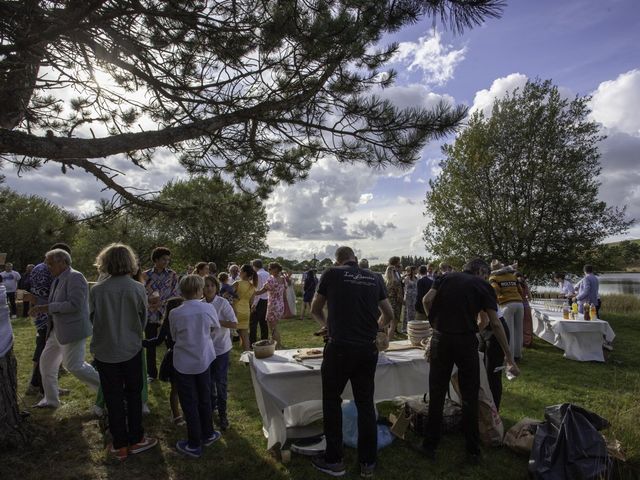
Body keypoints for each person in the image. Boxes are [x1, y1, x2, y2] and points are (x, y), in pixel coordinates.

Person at [420, 258, 519, 464]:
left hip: (441, 338)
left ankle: (430, 445)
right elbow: (493, 322)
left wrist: (434, 324)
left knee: (437, 391)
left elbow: (426, 300)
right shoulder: (483, 285)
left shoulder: (443, 278)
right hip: (465, 342)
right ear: (481, 271)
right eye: (485, 274)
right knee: (469, 394)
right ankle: (472, 450)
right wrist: (509, 357)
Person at [310, 246, 394, 478]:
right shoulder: (375, 277)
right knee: (365, 403)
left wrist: (326, 325)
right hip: (367, 348)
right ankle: (368, 463)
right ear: (355, 260)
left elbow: (315, 308)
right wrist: (374, 327)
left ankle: (335, 459)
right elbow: (389, 314)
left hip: (340, 347)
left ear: (338, 261)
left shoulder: (331, 273)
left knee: (331, 401)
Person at [89, 243, 157, 461]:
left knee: (113, 396)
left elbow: (92, 319)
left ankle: (119, 444)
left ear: (105, 262)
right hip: (131, 347)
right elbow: (143, 319)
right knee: (134, 393)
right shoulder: (137, 288)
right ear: (130, 262)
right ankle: (136, 439)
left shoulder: (97, 290)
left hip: (105, 349)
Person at [29, 249, 100, 408]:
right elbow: (54, 302)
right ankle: (51, 400)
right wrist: (39, 305)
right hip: (57, 331)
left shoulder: (75, 277)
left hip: (73, 330)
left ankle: (107, 389)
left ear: (62, 262)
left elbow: (74, 305)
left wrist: (46, 308)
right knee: (46, 363)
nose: (48, 266)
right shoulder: (58, 278)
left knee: (75, 366)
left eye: (50, 263)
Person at [170, 274, 221, 458]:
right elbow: (215, 327)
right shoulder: (207, 308)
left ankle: (194, 442)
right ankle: (207, 433)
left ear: (182, 292)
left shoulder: (175, 312)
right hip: (204, 358)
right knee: (205, 396)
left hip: (184, 361)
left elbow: (174, 336)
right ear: (199, 290)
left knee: (189, 402)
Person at [23, 243, 70, 396]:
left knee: (44, 350)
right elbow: (51, 294)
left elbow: (34, 291)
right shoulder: (48, 271)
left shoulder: (37, 268)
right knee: (46, 352)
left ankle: (37, 385)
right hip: (47, 314)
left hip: (41, 313)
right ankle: (41, 388)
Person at [143, 297, 185, 426]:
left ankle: (181, 414)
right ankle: (177, 416)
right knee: (177, 388)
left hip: (181, 357)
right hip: (176, 358)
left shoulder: (174, 322)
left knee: (179, 388)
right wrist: (140, 343)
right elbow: (157, 341)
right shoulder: (168, 324)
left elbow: (156, 341)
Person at [203, 275, 238, 431]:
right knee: (208, 383)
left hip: (221, 349)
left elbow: (233, 323)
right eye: (206, 286)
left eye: (211, 285)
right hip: (204, 349)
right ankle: (209, 411)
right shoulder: (200, 304)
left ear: (216, 287)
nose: (209, 288)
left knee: (221, 382)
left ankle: (223, 414)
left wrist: (215, 321)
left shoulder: (222, 303)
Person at [142, 247, 179, 382]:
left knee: (170, 344)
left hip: (167, 314)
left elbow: (176, 294)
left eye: (168, 259)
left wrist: (161, 303)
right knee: (150, 344)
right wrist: (149, 301)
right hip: (150, 314)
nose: (166, 262)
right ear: (156, 259)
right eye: (164, 259)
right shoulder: (145, 275)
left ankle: (169, 372)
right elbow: (140, 293)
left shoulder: (172, 275)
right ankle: (151, 374)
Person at [489, 260, 524, 360]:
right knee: (518, 330)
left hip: (507, 304)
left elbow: (495, 290)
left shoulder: (493, 278)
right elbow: (520, 289)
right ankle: (518, 354)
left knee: (508, 332)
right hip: (519, 303)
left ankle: (510, 357)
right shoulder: (512, 276)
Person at [254, 262, 287, 348]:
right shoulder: (283, 279)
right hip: (280, 304)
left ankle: (277, 345)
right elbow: (284, 293)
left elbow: (260, 292)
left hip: (272, 304)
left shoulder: (271, 280)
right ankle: (277, 344)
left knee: (273, 328)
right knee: (275, 326)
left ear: (275, 269)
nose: (268, 270)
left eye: (269, 269)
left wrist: (251, 291)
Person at [233, 264, 257, 351]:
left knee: (229, 334)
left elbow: (227, 295)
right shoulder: (253, 286)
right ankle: (247, 357)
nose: (239, 272)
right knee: (245, 335)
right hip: (246, 311)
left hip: (235, 311)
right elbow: (251, 302)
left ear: (244, 273)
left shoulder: (237, 283)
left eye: (240, 271)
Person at [249, 259, 270, 345]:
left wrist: (254, 304)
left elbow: (256, 290)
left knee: (253, 322)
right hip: (266, 299)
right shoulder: (267, 273)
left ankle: (252, 341)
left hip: (259, 300)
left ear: (254, 266)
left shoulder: (257, 274)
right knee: (263, 322)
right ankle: (264, 339)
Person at [384, 257, 403, 338]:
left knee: (386, 324)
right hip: (395, 304)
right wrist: (402, 301)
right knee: (393, 325)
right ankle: (388, 342)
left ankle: (384, 341)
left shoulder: (385, 281)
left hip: (387, 303)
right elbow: (399, 296)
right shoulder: (396, 282)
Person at [516, 272, 533, 348]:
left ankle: (520, 341)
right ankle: (527, 342)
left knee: (519, 324)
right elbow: (530, 297)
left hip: (518, 305)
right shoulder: (525, 284)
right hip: (526, 305)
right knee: (528, 324)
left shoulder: (515, 284)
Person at [402, 266, 418, 331]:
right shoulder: (407, 278)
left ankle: (412, 326)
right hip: (408, 296)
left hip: (414, 297)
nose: (417, 271)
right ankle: (405, 328)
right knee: (407, 312)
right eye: (415, 270)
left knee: (413, 312)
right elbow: (404, 287)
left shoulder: (416, 278)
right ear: (412, 271)